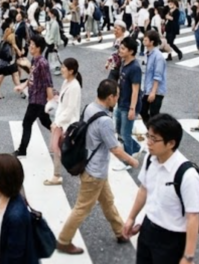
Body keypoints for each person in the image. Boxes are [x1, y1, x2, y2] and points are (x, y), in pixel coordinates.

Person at [56, 79, 141, 255]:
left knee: (108, 202)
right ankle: (63, 240)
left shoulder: (89, 108)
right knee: (82, 208)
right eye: (117, 96)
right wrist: (132, 161)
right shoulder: (105, 121)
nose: (118, 99)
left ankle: (121, 232)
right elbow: (115, 149)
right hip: (94, 172)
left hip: (90, 166)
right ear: (110, 97)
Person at [123, 113, 199, 264]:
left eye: (154, 139)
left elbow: (193, 216)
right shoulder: (150, 159)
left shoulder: (187, 175)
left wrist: (188, 256)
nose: (149, 142)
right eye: (148, 136)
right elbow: (144, 190)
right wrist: (132, 218)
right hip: (147, 229)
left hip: (171, 239)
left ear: (171, 143)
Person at [12, 35, 53, 157]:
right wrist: (22, 86)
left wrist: (50, 100)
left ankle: (22, 150)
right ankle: (63, 137)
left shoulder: (43, 63)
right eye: (30, 44)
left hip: (38, 100)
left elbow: (48, 83)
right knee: (46, 122)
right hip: (34, 96)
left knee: (26, 123)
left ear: (39, 48)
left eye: (32, 45)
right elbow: (31, 76)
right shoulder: (35, 60)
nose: (30, 46)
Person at [45, 58, 82, 186]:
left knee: (60, 148)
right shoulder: (66, 82)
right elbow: (62, 104)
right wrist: (56, 120)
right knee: (57, 148)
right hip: (61, 121)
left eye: (63, 68)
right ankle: (58, 174)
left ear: (71, 71)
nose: (61, 70)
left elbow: (71, 109)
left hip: (67, 123)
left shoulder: (74, 87)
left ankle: (58, 174)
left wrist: (57, 122)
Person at [112, 36, 143, 161]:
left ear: (131, 51)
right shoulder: (124, 63)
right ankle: (135, 147)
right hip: (121, 102)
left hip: (129, 105)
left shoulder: (135, 68)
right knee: (119, 131)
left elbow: (136, 90)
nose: (120, 50)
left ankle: (128, 161)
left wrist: (132, 109)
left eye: (123, 48)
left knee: (125, 134)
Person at [141, 30, 168, 127]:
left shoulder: (158, 56)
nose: (143, 41)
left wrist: (153, 92)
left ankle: (158, 132)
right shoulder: (147, 53)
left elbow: (158, 76)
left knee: (154, 114)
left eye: (145, 39)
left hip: (156, 91)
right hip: (147, 89)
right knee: (142, 110)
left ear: (151, 42)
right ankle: (152, 129)